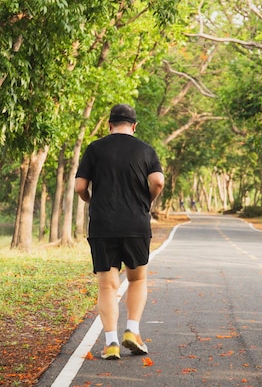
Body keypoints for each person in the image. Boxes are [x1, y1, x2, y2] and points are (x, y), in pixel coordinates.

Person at [75, 103, 165, 360]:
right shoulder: (146, 150)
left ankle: (111, 342)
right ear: (134, 126)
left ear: (109, 125)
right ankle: (133, 331)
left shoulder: (95, 149)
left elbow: (80, 185)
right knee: (137, 279)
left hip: (103, 224)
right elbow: (158, 181)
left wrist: (90, 199)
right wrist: (147, 200)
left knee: (107, 286)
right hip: (135, 223)